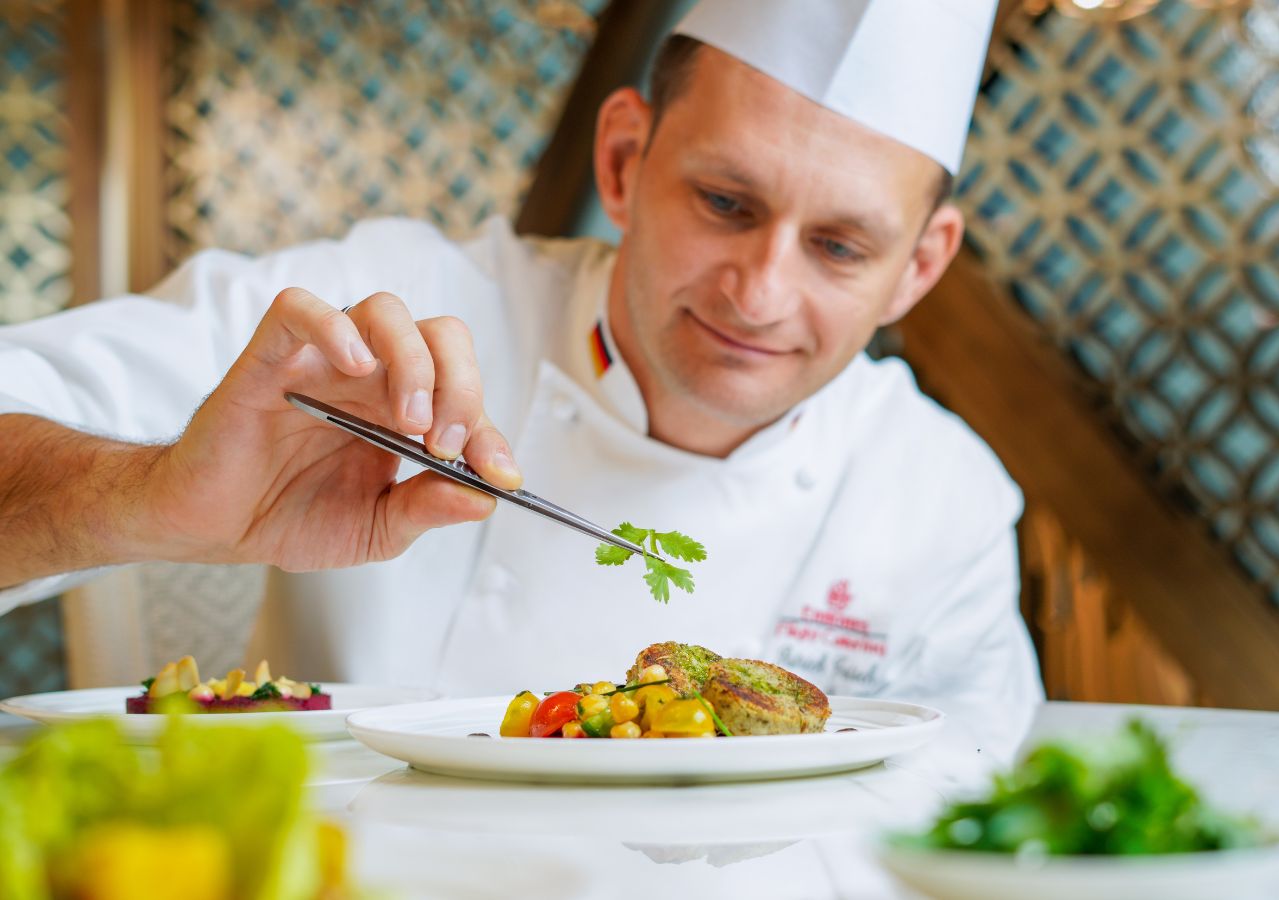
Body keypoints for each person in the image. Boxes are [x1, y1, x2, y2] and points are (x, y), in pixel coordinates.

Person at [0, 0, 1041, 755]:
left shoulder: (942, 506)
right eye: (726, 202)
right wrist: (153, 497)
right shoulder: (375, 314)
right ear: (625, 160)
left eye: (840, 248)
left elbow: (962, 831)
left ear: (921, 264)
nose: (760, 294)